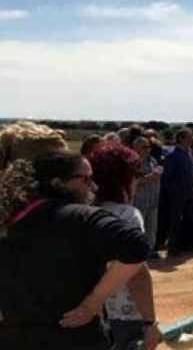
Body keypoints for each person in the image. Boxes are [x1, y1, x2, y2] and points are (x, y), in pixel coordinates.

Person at [0, 129, 157, 350]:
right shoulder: (78, 216)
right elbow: (135, 246)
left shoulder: (9, 216)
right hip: (75, 337)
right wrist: (94, 302)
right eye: (86, 179)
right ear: (56, 179)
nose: (93, 187)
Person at [89, 141, 161, 350]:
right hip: (123, 312)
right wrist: (150, 323)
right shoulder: (126, 215)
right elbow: (136, 273)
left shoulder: (83, 211)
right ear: (125, 179)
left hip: (91, 311)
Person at [159, 128, 193, 254]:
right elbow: (166, 177)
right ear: (180, 139)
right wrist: (171, 192)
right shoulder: (172, 155)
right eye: (188, 138)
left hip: (190, 191)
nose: (191, 140)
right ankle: (174, 248)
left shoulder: (188, 154)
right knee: (175, 221)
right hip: (177, 193)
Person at [130, 133, 162, 257]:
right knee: (139, 229)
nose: (148, 149)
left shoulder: (152, 160)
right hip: (139, 201)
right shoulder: (132, 162)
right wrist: (150, 177)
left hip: (153, 199)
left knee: (151, 229)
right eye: (144, 147)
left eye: (148, 146)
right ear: (135, 148)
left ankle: (150, 251)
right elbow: (134, 181)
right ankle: (139, 254)